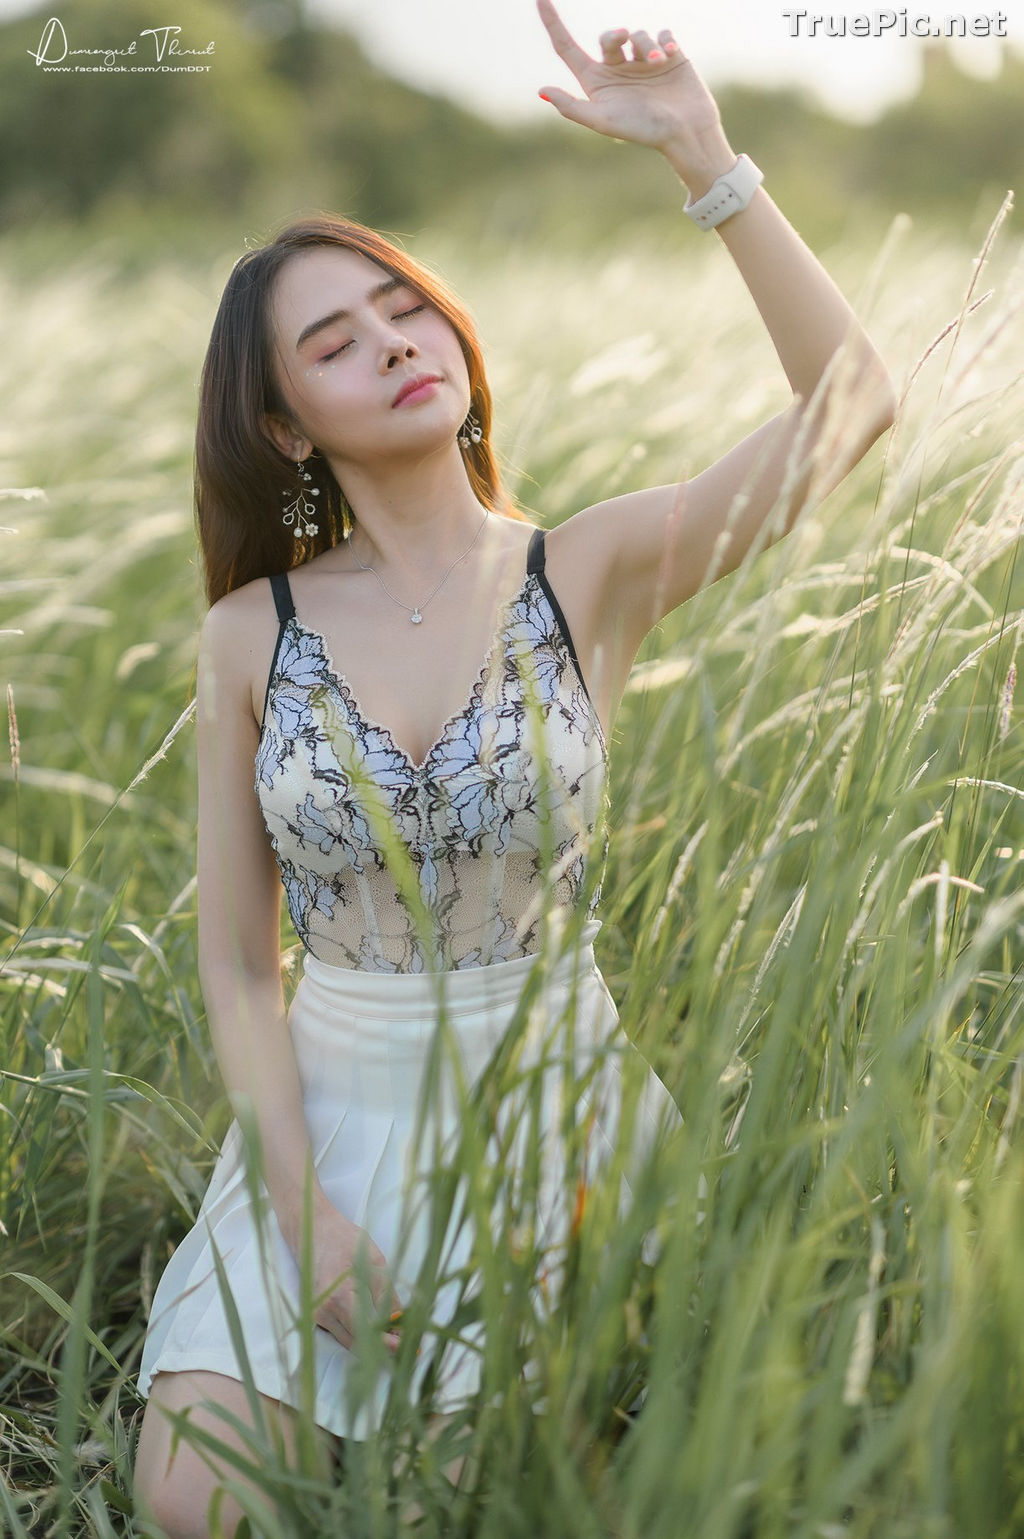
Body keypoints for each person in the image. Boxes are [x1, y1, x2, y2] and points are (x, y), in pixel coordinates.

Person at [131, 2, 897, 1533]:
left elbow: (855, 407)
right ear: (285, 427)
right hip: (328, 1121)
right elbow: (237, 964)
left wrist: (708, 158)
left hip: (552, 1108)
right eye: (334, 343)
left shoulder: (592, 568)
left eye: (402, 306)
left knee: (483, 1496)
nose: (394, 344)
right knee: (192, 1508)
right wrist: (299, 1209)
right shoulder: (245, 637)